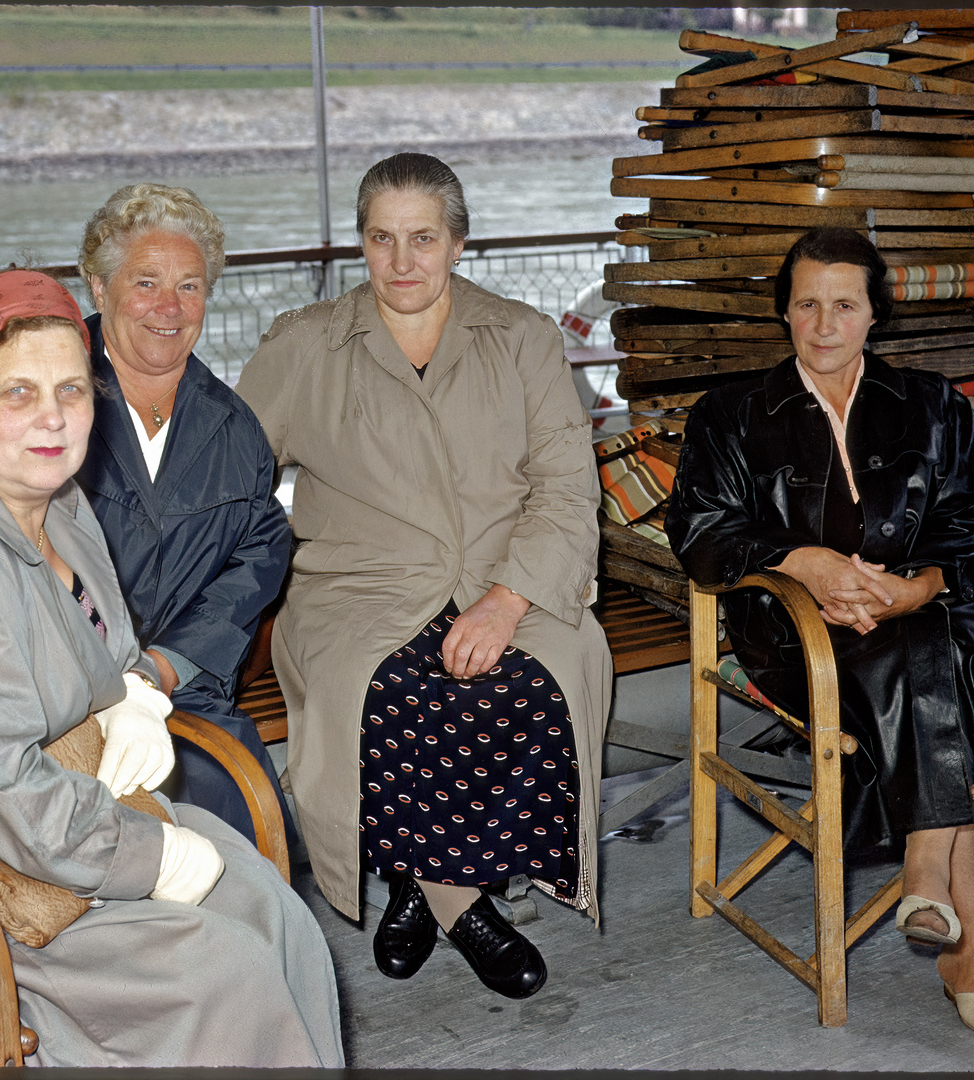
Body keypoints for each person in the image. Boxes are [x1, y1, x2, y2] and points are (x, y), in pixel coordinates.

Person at [0, 271, 344, 1067]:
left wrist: (130, 699)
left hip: (41, 826)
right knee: (221, 969)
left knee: (270, 908)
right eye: (17, 393)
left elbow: (102, 658)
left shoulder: (62, 512)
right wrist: (151, 859)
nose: (51, 417)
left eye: (71, 390)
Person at [236, 152, 613, 1000]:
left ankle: (418, 886)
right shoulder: (305, 345)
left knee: (533, 686)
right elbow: (232, 486)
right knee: (390, 692)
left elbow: (565, 487)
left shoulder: (520, 338)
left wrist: (508, 599)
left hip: (507, 576)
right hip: (355, 591)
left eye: (423, 239)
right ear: (360, 245)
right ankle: (466, 912)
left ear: (457, 244)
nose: (402, 263)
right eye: (381, 239)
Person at [665, 227, 974, 1042]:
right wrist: (804, 563)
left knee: (932, 642)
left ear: (874, 315)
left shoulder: (934, 406)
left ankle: (941, 897)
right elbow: (702, 536)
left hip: (925, 611)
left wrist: (913, 588)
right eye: (806, 303)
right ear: (784, 315)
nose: (824, 322)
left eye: (844, 303)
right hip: (794, 634)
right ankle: (959, 926)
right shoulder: (731, 414)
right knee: (952, 671)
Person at [72, 182, 293, 847]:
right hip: (50, 686)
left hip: (179, 689)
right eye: (145, 282)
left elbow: (253, 564)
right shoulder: (47, 406)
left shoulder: (234, 431)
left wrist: (164, 667)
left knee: (237, 832)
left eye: (190, 287)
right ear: (97, 288)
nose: (169, 308)